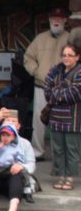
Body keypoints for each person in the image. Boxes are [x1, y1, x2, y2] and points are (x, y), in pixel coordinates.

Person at [24, 7, 70, 160]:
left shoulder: (71, 39)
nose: (56, 21)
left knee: (62, 121)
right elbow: (28, 57)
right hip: (41, 85)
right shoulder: (40, 38)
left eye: (59, 18)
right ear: (50, 20)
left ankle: (61, 154)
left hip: (63, 88)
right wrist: (37, 72)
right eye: (54, 18)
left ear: (65, 20)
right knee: (38, 120)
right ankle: (38, 152)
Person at [44, 43, 81, 191]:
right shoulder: (56, 70)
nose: (66, 58)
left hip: (73, 119)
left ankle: (70, 178)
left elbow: (75, 94)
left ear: (77, 57)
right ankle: (60, 176)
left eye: (70, 55)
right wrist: (59, 94)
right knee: (58, 149)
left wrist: (56, 93)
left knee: (71, 149)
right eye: (64, 55)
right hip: (55, 118)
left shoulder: (79, 72)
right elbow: (46, 88)